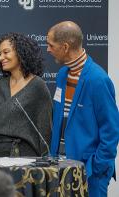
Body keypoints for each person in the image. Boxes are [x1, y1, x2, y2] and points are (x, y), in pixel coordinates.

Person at [47, 21, 119, 197]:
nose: (48, 49)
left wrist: (96, 167)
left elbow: (111, 131)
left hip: (89, 172)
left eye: (51, 45)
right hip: (60, 168)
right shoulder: (63, 75)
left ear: (65, 47)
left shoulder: (98, 80)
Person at [0, 32, 52, 157]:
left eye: (6, 52)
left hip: (26, 158)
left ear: (20, 52)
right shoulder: (0, 83)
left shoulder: (37, 85)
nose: (1, 58)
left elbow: (45, 131)